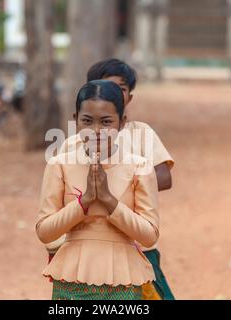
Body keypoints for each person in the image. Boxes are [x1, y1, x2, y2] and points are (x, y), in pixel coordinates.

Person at [49, 59, 175, 300]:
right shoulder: (72, 146)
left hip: (136, 245)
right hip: (82, 249)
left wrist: (119, 189)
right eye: (104, 86)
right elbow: (52, 209)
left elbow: (164, 177)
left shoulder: (141, 133)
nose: (110, 93)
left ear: (129, 97)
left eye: (120, 88)